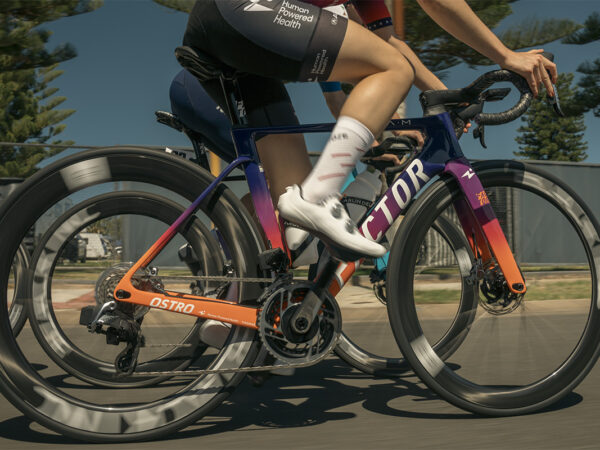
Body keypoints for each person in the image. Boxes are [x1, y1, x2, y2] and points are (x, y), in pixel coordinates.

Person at [182, 0, 557, 259]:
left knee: (291, 224)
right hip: (241, 12)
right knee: (392, 69)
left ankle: (232, 322)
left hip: (234, 39)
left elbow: (388, 41)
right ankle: (320, 195)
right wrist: (506, 56)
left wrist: (444, 95)